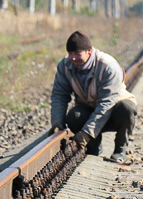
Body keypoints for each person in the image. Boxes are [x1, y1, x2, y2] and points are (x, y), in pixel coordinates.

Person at [50, 31, 137, 163]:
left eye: (77, 53)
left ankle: (120, 151)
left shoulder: (108, 66)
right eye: (70, 54)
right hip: (89, 107)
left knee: (128, 109)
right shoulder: (65, 66)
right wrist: (57, 123)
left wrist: (86, 133)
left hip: (113, 110)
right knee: (74, 117)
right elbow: (59, 95)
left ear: (89, 52)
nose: (73, 58)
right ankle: (94, 148)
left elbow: (106, 105)